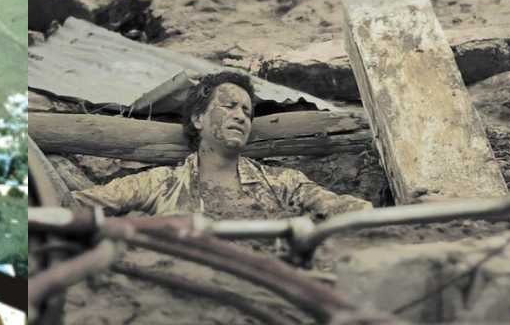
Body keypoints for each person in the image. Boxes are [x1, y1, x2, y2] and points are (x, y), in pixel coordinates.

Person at [73, 71, 371, 252]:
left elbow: (348, 210)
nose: (240, 116)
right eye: (228, 106)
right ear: (199, 118)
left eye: (246, 111)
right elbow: (73, 207)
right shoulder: (160, 183)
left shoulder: (283, 183)